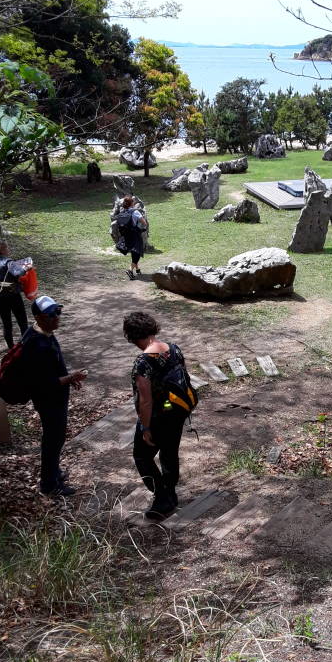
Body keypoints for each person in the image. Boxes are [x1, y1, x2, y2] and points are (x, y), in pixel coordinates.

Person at [123, 311, 188, 520]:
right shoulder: (174, 349)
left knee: (142, 456)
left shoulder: (143, 362)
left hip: (158, 418)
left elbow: (146, 400)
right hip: (177, 412)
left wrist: (146, 428)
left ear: (132, 337)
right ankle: (170, 494)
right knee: (169, 454)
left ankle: (162, 498)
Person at [21, 296, 88, 496]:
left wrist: (68, 378)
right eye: (52, 314)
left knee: (55, 438)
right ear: (40, 317)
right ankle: (49, 484)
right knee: (52, 439)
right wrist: (70, 378)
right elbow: (45, 383)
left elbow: (53, 369)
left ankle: (54, 472)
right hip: (49, 400)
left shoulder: (44, 332)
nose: (57, 317)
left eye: (58, 311)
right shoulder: (37, 344)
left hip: (55, 397)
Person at [0, 239, 29, 348]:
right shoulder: (8, 261)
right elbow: (18, 272)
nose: (8, 249)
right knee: (22, 322)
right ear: (2, 249)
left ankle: (11, 349)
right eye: (7, 247)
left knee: (7, 324)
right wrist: (26, 268)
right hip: (13, 296)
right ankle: (26, 347)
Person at [118, 196, 147, 280]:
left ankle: (137, 270)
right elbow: (144, 223)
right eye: (133, 202)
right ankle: (130, 270)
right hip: (135, 235)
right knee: (137, 253)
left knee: (134, 252)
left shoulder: (123, 211)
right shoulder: (135, 212)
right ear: (132, 203)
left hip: (126, 236)